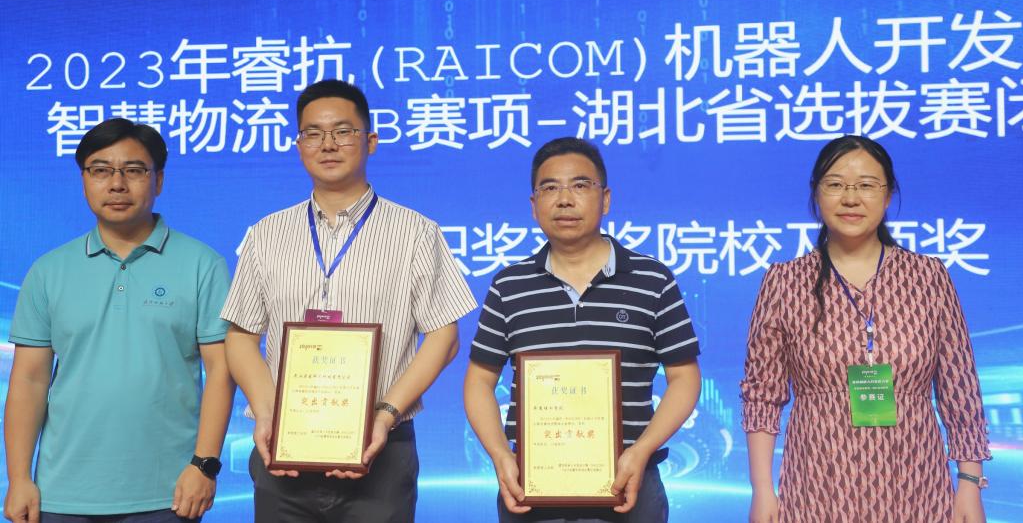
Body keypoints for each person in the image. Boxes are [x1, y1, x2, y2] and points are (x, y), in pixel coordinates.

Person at [221, 79, 477, 522]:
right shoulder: (266, 234)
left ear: (370, 141)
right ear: (299, 145)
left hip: (382, 447)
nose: (328, 144)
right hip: (284, 451)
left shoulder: (415, 232)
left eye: (343, 131)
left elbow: (444, 337)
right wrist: (267, 414)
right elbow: (241, 336)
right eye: (313, 133)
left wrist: (385, 414)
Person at [741, 135, 990, 523]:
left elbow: (960, 389)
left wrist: (969, 485)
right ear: (816, 194)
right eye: (836, 184)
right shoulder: (784, 281)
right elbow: (762, 395)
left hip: (918, 487)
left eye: (867, 185)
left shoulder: (929, 277)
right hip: (816, 487)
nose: (851, 198)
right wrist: (762, 490)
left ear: (887, 196)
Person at [3, 119, 235, 523]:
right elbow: (29, 380)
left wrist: (204, 465)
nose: (116, 184)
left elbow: (221, 371)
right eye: (101, 170)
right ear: (84, 180)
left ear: (158, 180)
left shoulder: (203, 265)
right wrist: (19, 478)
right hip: (61, 495)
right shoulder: (48, 271)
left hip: (169, 493)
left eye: (133, 170)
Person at [464, 137, 702, 523]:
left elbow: (684, 378)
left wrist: (641, 450)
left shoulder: (652, 279)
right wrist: (500, 455)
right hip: (530, 487)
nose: (564, 199)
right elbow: (478, 380)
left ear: (605, 199)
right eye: (550, 188)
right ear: (534, 205)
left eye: (579, 185)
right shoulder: (508, 286)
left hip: (630, 484)